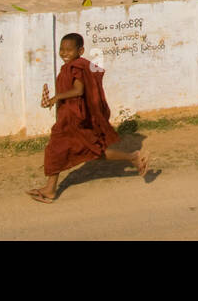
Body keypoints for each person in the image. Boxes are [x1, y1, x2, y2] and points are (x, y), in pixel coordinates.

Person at [27, 33, 148, 203]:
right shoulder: (72, 66)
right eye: (62, 49)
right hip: (70, 117)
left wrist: (57, 97)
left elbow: (79, 91)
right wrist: (53, 99)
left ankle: (50, 190)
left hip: (74, 120)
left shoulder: (76, 67)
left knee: (60, 150)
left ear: (80, 50)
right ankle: (133, 157)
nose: (64, 53)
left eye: (69, 50)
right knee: (89, 151)